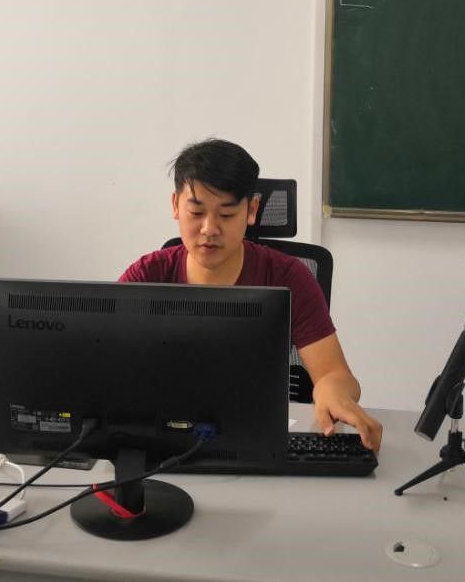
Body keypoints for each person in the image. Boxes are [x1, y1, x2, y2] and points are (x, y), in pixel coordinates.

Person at [119, 139, 383, 451]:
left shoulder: (289, 278)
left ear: (252, 210)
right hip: (164, 444)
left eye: (227, 214)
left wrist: (333, 392)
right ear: (176, 206)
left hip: (256, 439)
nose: (209, 228)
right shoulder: (147, 276)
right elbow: (108, 363)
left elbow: (335, 374)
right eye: (196, 212)